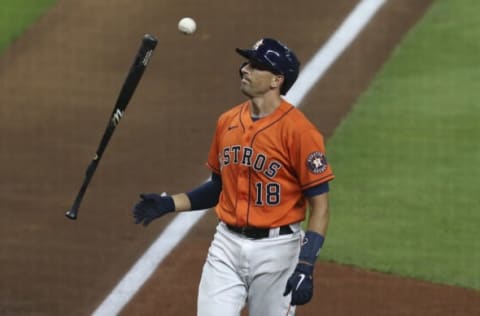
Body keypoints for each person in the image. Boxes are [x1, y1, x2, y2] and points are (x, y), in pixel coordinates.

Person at [132, 38, 335, 316]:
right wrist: (170, 203)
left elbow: (320, 206)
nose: (244, 70)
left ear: (277, 80)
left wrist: (306, 265)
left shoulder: (300, 132)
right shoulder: (227, 122)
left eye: (255, 66)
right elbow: (219, 187)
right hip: (226, 246)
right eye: (246, 63)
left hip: (277, 251)